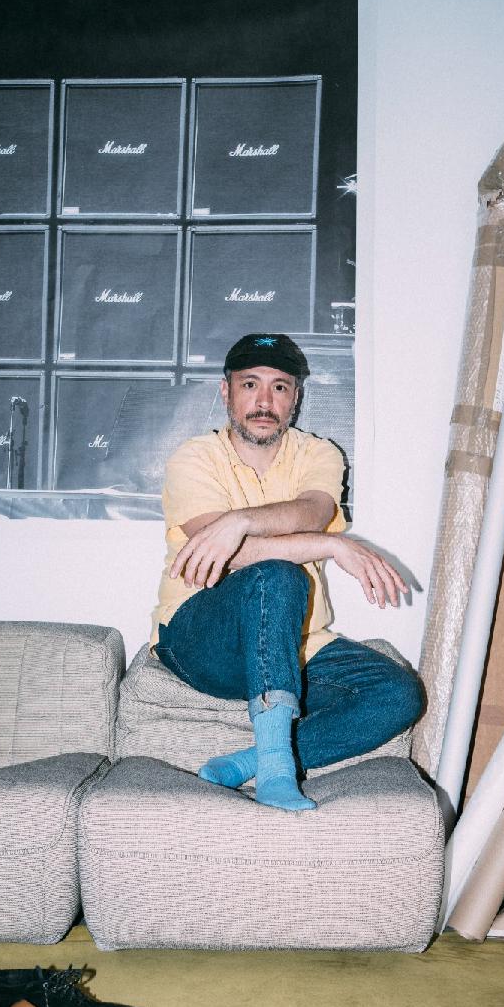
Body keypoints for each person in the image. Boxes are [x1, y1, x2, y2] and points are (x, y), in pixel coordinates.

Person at [151, 332, 423, 811]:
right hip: (200, 638)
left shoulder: (319, 454)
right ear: (226, 391)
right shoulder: (193, 458)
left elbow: (314, 510)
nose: (264, 401)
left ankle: (249, 762)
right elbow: (232, 558)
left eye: (279, 387)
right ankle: (277, 770)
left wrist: (240, 520)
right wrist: (331, 545)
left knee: (399, 695)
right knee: (277, 574)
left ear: (295, 398)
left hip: (295, 642)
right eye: (250, 384)